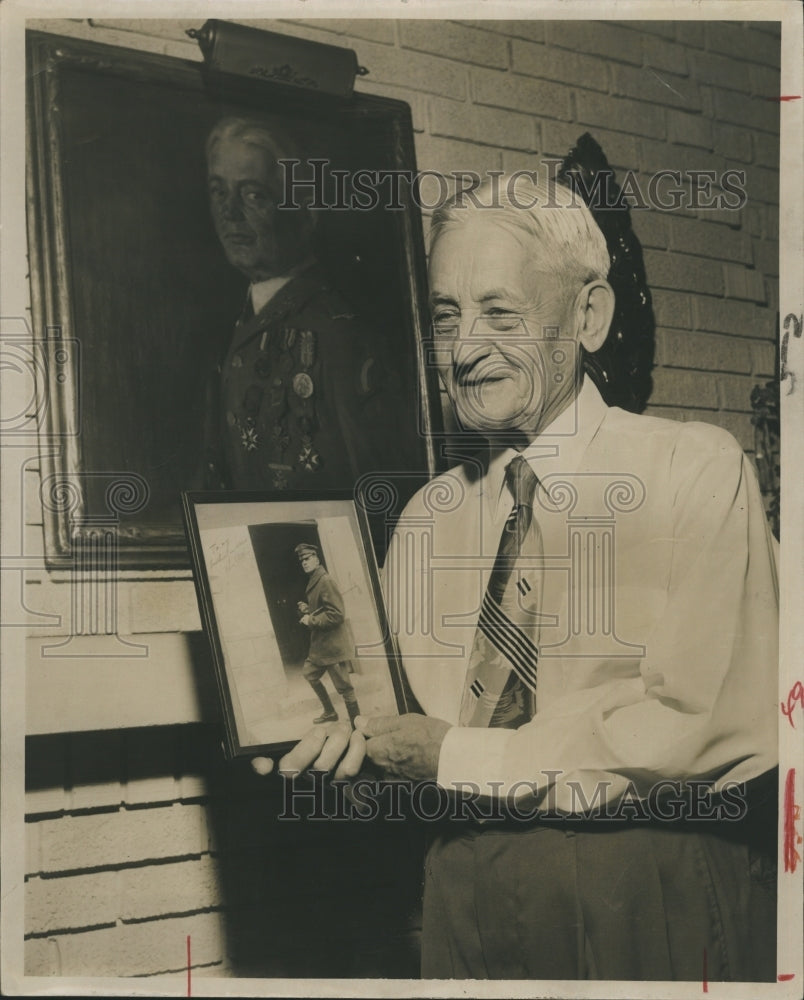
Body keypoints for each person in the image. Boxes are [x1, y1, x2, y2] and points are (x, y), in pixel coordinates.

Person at [256, 172, 779, 982]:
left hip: (645, 883)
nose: (465, 349)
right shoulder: (426, 520)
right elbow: (405, 736)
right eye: (446, 317)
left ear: (589, 316)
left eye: (500, 314)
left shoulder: (694, 473)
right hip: (461, 885)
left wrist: (460, 758)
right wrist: (328, 746)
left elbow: (703, 723)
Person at [203, 115, 389, 492]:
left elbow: (381, 490)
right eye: (219, 192)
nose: (229, 212)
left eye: (253, 194)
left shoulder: (338, 334)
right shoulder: (235, 322)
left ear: (305, 212)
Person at [295, 542, 361, 727]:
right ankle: (330, 712)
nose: (304, 563)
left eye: (307, 558)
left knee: (344, 687)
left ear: (316, 559)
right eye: (302, 561)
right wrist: (308, 609)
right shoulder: (315, 580)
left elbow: (337, 614)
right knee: (309, 674)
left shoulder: (325, 581)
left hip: (333, 645)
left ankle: (357, 724)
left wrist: (310, 620)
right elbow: (323, 608)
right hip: (321, 645)